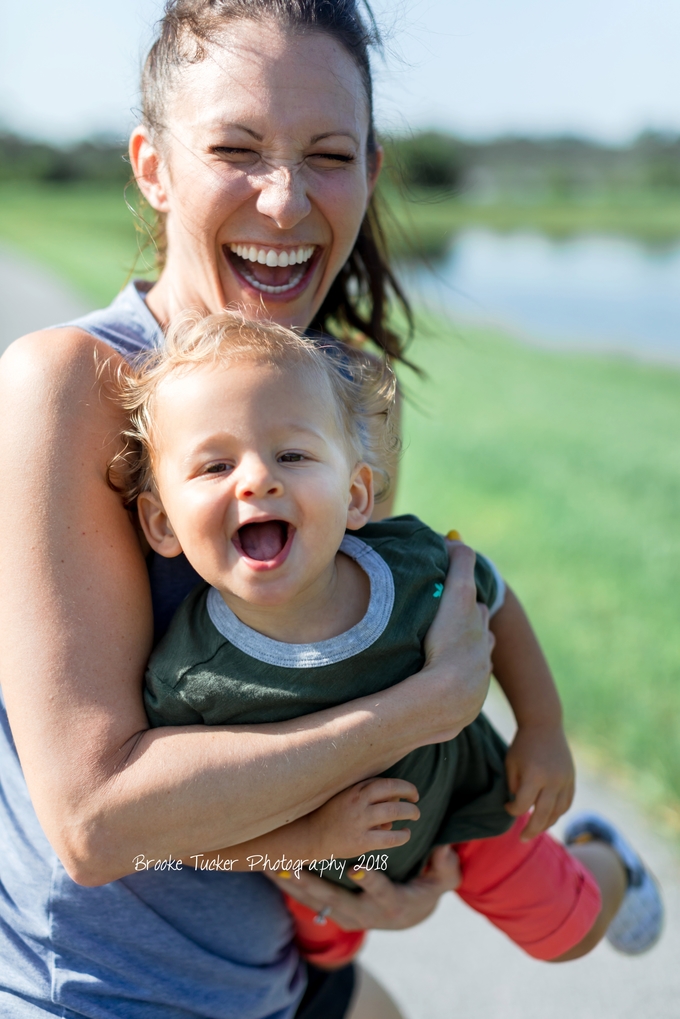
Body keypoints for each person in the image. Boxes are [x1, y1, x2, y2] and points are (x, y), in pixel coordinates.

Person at [0, 2, 659, 1018]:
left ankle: (597, 870)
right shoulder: (70, 385)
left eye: (327, 155)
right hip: (82, 992)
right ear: (151, 166)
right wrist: (418, 707)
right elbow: (92, 825)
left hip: (277, 980)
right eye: (235, 148)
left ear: (370, 172)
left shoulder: (343, 400)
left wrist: (384, 885)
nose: (282, 199)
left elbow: (333, 702)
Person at [116, 308, 662, 971]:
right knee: (322, 963)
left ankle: (607, 857)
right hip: (315, 863)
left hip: (467, 792)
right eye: (214, 465)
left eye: (292, 453)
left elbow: (494, 596)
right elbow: (184, 834)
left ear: (356, 495)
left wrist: (541, 728)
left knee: (566, 933)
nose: (258, 478)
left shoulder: (407, 570)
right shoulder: (188, 680)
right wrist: (309, 836)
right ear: (161, 522)